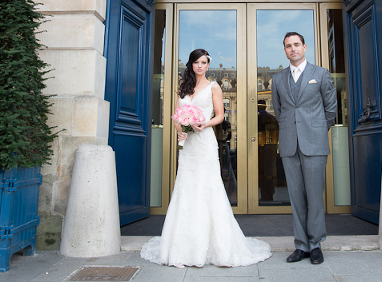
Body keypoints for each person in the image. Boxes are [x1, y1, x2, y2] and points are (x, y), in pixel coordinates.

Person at [140, 48, 271, 268]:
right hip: (189, 145)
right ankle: (183, 246)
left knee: (207, 187)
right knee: (186, 187)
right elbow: (176, 115)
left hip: (204, 141)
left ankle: (216, 246)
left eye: (203, 62)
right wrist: (179, 129)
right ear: (191, 64)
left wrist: (205, 123)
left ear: (208, 65)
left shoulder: (214, 86)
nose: (200, 66)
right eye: (196, 62)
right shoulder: (183, 88)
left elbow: (220, 115)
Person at [271, 32, 337, 265]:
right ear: (285, 50)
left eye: (296, 45)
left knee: (314, 196)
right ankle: (301, 245)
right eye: (288, 46)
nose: (293, 49)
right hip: (290, 144)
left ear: (305, 47)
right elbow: (279, 112)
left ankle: (316, 243)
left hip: (315, 143)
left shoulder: (320, 74)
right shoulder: (278, 79)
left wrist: (316, 131)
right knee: (296, 196)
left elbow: (331, 111)